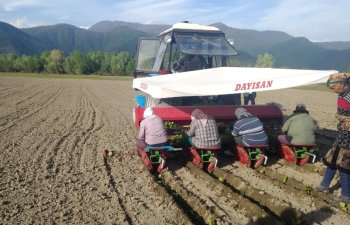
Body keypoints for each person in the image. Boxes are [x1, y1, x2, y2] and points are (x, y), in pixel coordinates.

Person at [315, 73, 350, 204]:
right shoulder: (342, 95)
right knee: (332, 159)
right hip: (343, 132)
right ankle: (324, 186)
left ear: (342, 84)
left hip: (349, 134)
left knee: (343, 163)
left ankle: (346, 195)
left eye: (334, 86)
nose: (332, 89)